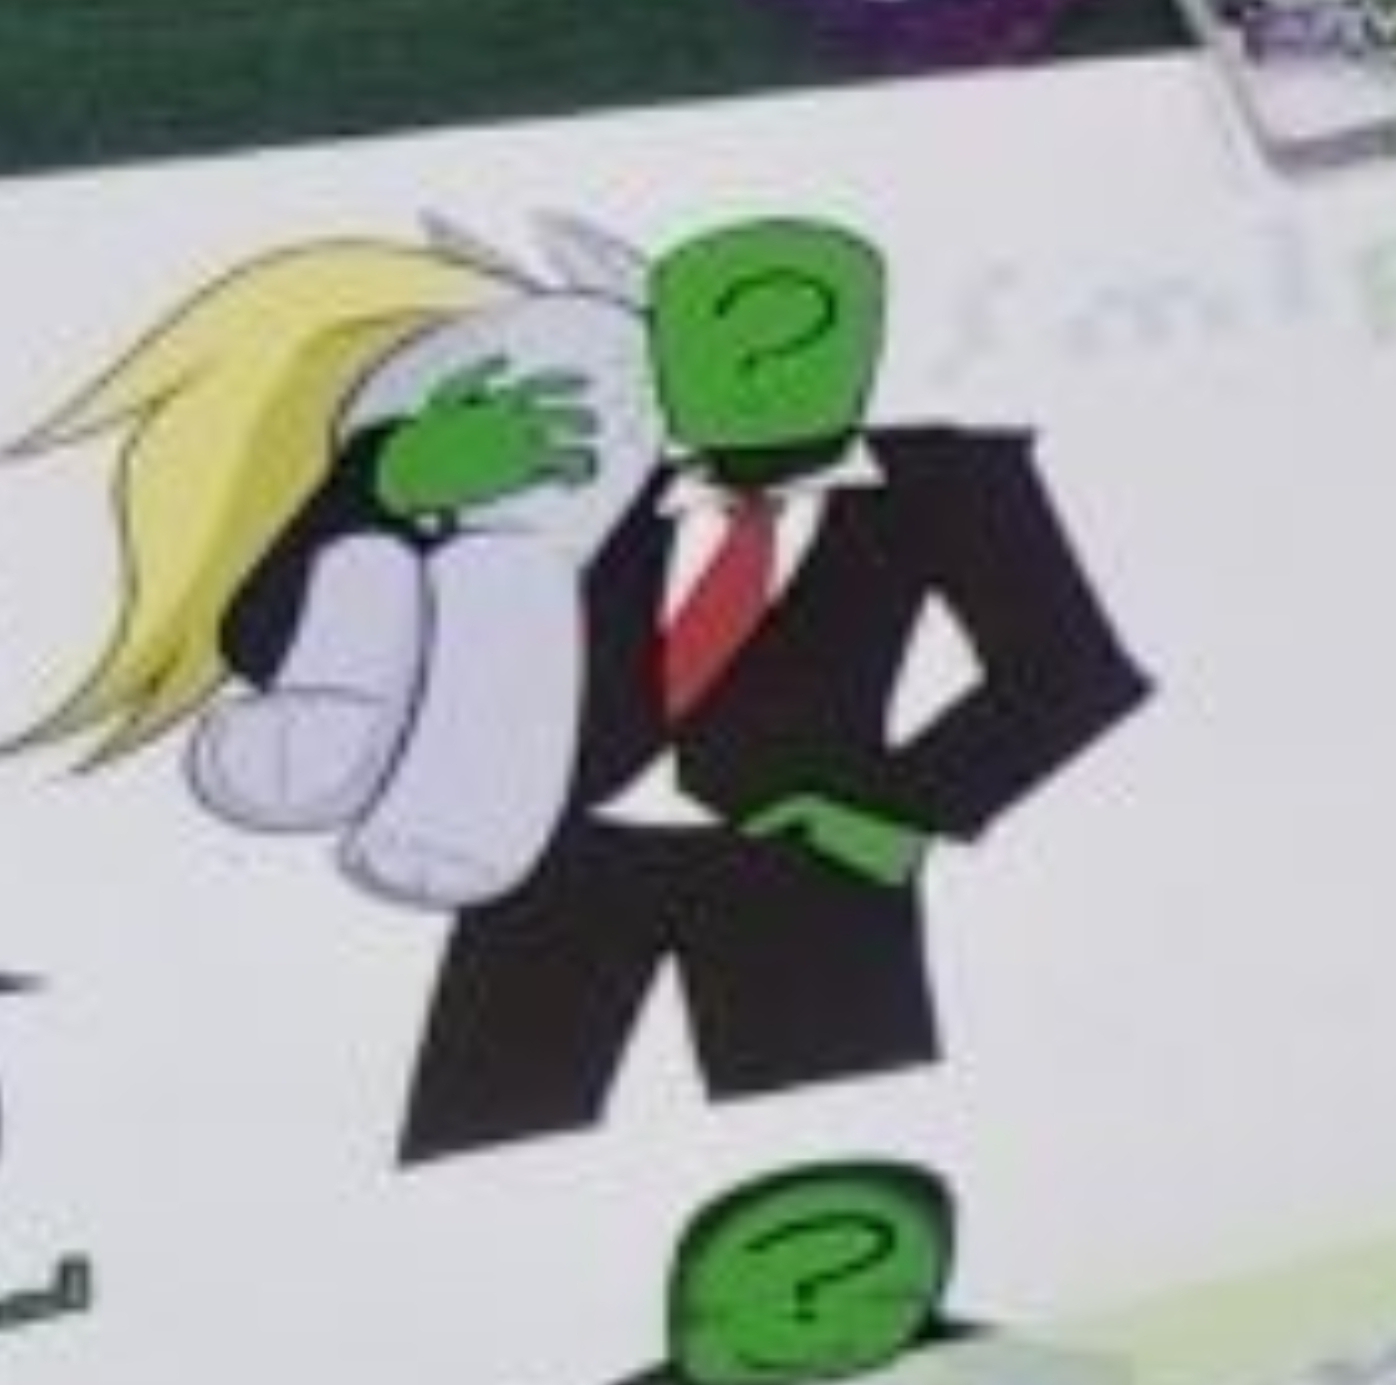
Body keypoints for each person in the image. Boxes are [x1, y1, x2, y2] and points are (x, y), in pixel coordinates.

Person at [216, 215, 1151, 1161]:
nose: (761, 362)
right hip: (557, 863)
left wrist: (894, 817)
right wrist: (390, 484)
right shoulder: (587, 471)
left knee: (845, 1142)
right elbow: (267, 647)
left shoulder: (950, 479)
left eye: (805, 332)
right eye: (717, 334)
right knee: (482, 1140)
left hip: (807, 868)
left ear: (867, 338)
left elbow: (1073, 671)